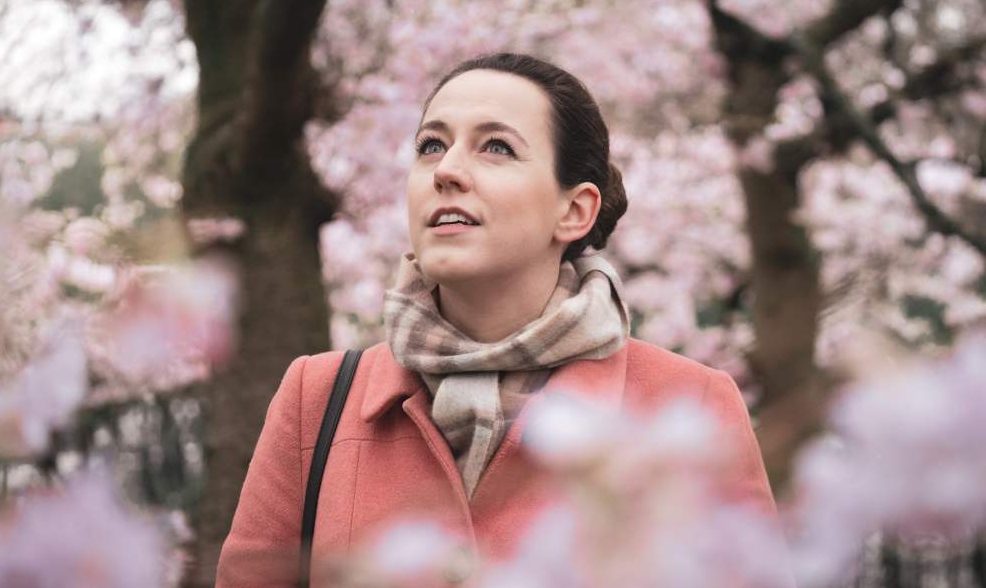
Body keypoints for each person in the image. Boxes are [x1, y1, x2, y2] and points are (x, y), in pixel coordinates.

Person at [215, 52, 783, 587]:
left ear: (574, 210)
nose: (447, 171)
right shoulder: (317, 399)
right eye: (431, 146)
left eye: (496, 148)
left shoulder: (689, 405)